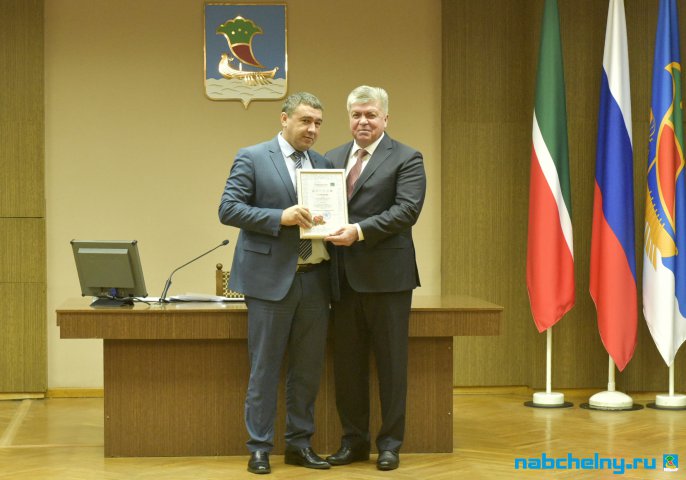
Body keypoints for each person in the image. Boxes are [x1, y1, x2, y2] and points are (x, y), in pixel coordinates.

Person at [218, 92, 332, 475]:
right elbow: (228, 209)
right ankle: (259, 448)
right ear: (284, 119)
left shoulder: (323, 164)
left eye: (318, 123)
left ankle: (300, 445)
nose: (312, 129)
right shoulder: (252, 157)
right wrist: (278, 217)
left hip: (315, 279)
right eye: (305, 121)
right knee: (264, 369)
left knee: (307, 370)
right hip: (269, 282)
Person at [324, 85, 426, 471]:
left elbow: (406, 211)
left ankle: (390, 445)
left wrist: (359, 231)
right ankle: (353, 442)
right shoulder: (331, 158)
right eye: (356, 115)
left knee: (391, 366)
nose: (363, 121)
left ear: (385, 118)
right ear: (348, 118)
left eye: (370, 114)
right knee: (347, 368)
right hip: (341, 280)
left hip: (388, 281)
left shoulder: (407, 158)